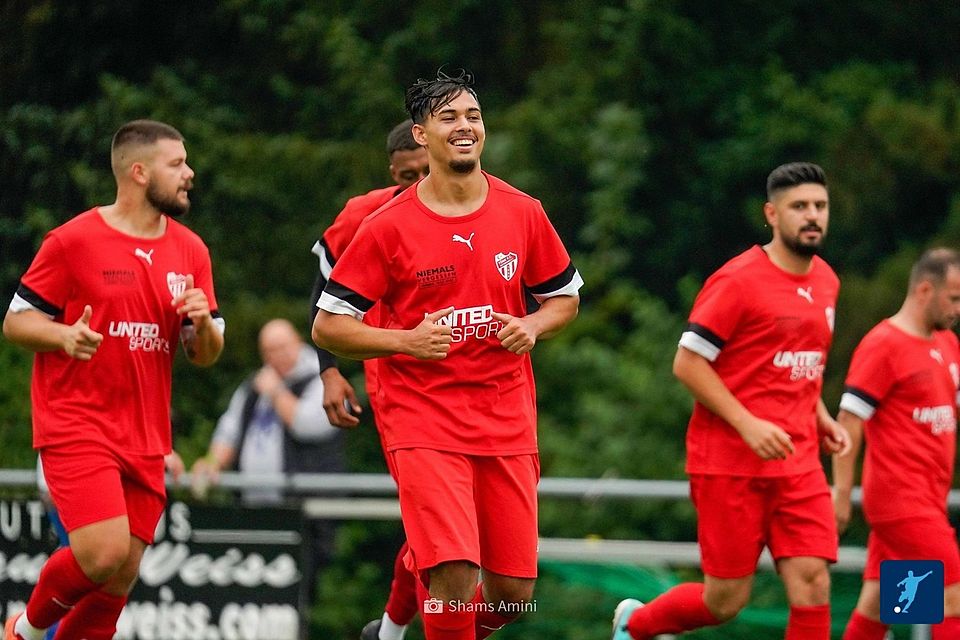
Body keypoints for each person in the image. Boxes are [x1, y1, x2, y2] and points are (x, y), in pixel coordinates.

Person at [313, 69, 582, 640]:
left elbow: (564, 299)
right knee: (454, 574)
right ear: (422, 134)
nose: (465, 127)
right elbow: (329, 325)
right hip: (424, 418)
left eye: (473, 116)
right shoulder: (386, 226)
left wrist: (533, 325)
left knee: (511, 598)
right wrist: (404, 340)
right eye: (449, 118)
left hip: (506, 417)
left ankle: (413, 614)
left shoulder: (523, 211)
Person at [3, 119, 224, 640]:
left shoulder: (191, 250)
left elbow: (206, 354)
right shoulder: (74, 240)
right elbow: (16, 320)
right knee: (101, 553)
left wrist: (202, 326)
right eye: (177, 164)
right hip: (77, 425)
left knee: (119, 578)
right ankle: (23, 631)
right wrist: (61, 338)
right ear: (140, 172)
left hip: (146, 436)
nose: (189, 173)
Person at [612, 162, 850, 640]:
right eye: (799, 206)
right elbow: (688, 363)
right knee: (725, 601)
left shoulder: (826, 280)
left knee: (814, 585)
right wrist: (749, 424)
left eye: (820, 207)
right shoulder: (738, 281)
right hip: (731, 464)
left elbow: (797, 362)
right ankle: (635, 625)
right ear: (772, 214)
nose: (812, 216)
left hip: (800, 462)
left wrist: (820, 414)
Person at [307, 120, 428, 640]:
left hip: (477, 388)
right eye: (406, 176)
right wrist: (330, 372)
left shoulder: (486, 208)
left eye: (426, 171)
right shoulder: (366, 214)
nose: (418, 183)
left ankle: (390, 631)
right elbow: (324, 291)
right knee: (433, 524)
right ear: (391, 173)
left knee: (465, 541)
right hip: (398, 382)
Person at [832, 247, 960, 639]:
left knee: (885, 602)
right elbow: (849, 420)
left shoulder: (947, 344)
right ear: (924, 290)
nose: (958, 308)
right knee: (953, 596)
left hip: (929, 497)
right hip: (900, 501)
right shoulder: (884, 344)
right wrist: (841, 492)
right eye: (953, 298)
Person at [190, 317, 343, 602]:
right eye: (269, 351)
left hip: (304, 517)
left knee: (295, 599)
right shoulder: (255, 385)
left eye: (282, 347)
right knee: (254, 600)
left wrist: (275, 391)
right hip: (253, 514)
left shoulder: (323, 378)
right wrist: (212, 461)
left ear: (298, 341)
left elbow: (306, 424)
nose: (277, 356)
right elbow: (229, 431)